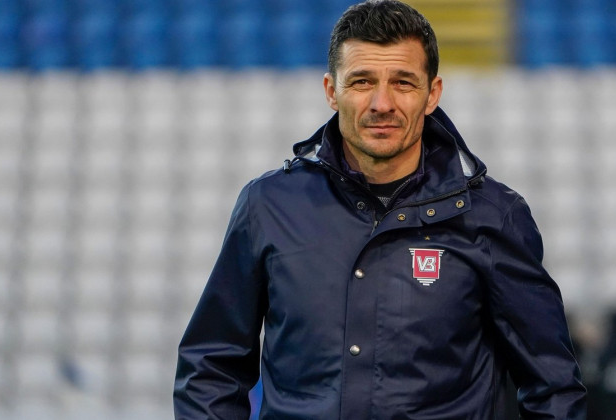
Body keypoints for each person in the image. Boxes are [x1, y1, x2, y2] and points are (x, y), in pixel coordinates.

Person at [174, 1, 587, 418]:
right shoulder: (268, 206)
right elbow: (211, 367)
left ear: (432, 93)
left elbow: (552, 387)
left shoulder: (495, 215)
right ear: (331, 91)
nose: (382, 103)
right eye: (361, 81)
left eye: (404, 83)